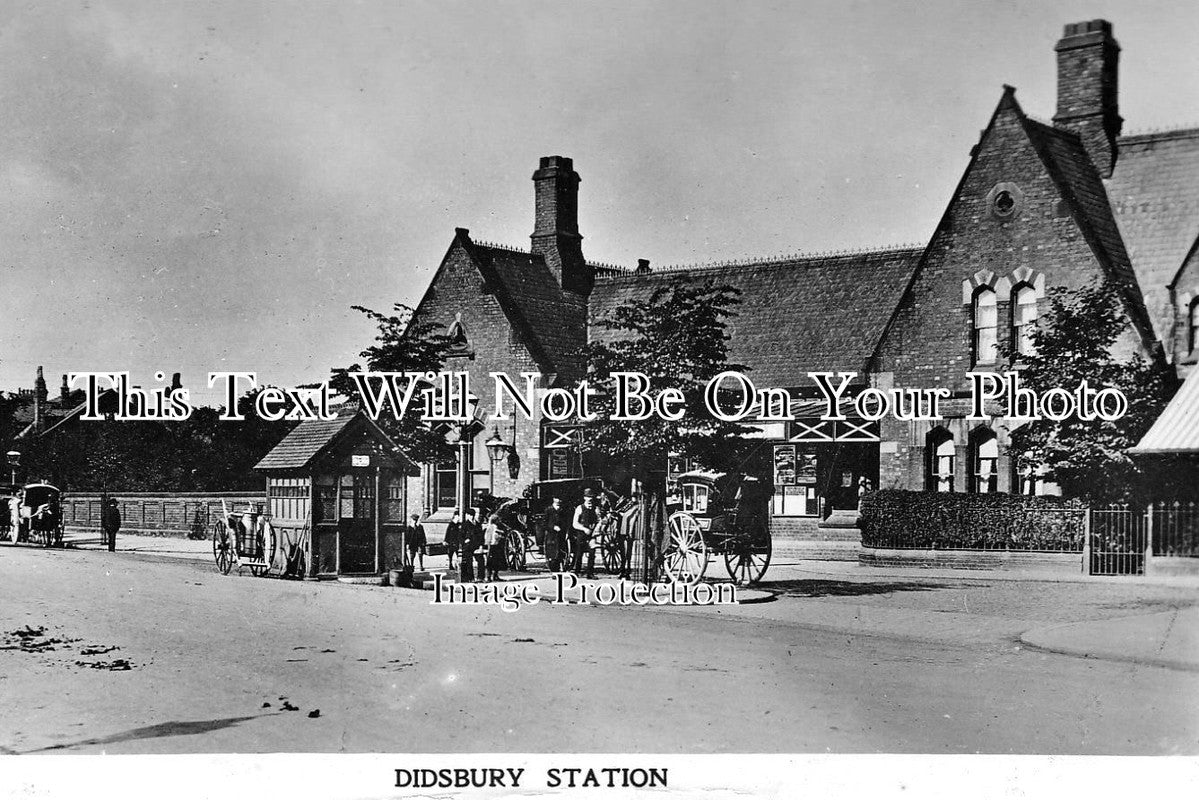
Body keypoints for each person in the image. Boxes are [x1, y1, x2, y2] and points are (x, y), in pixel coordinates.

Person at [572, 488, 599, 578]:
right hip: (581, 533)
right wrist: (584, 529)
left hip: (592, 534)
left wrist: (596, 528)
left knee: (592, 553)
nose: (590, 499)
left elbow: (599, 521)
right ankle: (577, 571)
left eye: (591, 497)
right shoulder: (580, 508)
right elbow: (575, 523)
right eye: (587, 497)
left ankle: (590, 573)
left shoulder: (596, 509)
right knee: (579, 552)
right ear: (584, 498)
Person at [543, 497, 566, 571]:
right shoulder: (548, 510)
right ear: (553, 499)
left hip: (560, 534)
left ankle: (559, 567)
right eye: (557, 498)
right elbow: (544, 523)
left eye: (560, 499)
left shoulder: (562, 510)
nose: (559, 500)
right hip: (551, 535)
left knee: (560, 551)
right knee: (552, 552)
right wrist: (552, 527)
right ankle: (553, 570)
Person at [458, 508, 480, 583]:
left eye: (468, 515)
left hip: (476, 546)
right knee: (468, 562)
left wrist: (481, 545)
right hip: (468, 546)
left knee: (481, 560)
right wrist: (464, 541)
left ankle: (480, 577)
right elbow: (460, 536)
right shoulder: (465, 524)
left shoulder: (477, 524)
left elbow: (480, 536)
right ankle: (470, 578)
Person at [483, 513, 504, 582]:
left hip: (492, 545)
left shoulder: (490, 526)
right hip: (492, 545)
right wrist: (501, 536)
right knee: (492, 561)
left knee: (493, 561)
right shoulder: (493, 527)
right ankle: (491, 576)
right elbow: (494, 536)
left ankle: (491, 576)